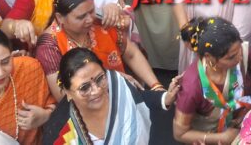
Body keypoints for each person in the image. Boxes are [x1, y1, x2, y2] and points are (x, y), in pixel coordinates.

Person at [35, 0, 158, 100]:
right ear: (60, 18)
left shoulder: (101, 22)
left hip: (122, 96)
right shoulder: (49, 45)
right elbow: (62, 94)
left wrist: (156, 87)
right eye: (81, 17)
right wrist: (112, 80)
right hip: (85, 108)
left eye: (91, 11)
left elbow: (132, 55)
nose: (89, 19)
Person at [44, 48, 180, 144]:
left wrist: (166, 97)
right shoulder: (64, 135)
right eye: (84, 88)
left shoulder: (119, 88)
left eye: (100, 79)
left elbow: (141, 99)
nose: (97, 90)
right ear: (68, 93)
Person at [173, 17, 251, 144]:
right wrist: (222, 138)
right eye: (231, 57)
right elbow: (179, 133)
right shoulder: (192, 87)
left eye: (240, 49)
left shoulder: (243, 54)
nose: (240, 58)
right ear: (209, 57)